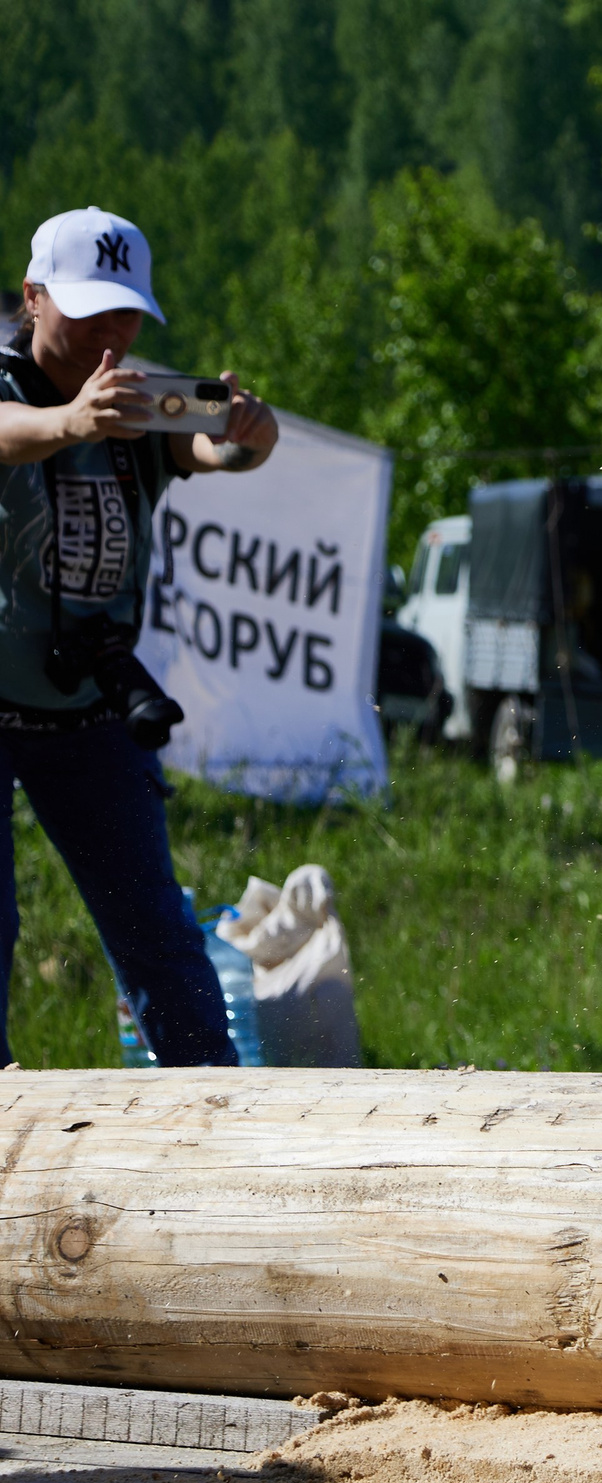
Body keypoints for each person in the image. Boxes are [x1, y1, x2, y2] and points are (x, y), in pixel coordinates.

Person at [0, 207, 279, 1067]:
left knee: (157, 935)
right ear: (33, 297)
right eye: (89, 309)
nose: (110, 333)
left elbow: (204, 446)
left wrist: (246, 441)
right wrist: (70, 424)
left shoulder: (138, 398)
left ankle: (213, 1132)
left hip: (94, 708)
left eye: (126, 312)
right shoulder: (15, 391)